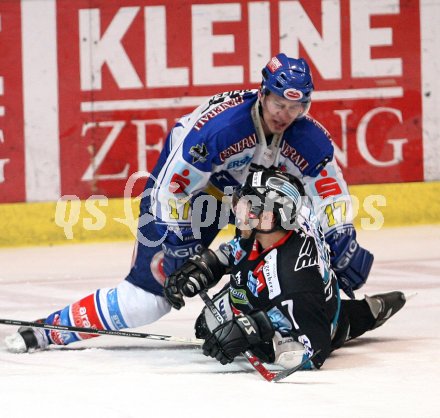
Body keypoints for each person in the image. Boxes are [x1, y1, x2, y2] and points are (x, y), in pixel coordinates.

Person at [5, 53, 373, 353]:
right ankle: (48, 330)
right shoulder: (220, 132)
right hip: (192, 196)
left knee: (307, 233)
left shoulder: (305, 135)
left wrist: (341, 235)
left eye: (296, 108)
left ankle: (285, 312)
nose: (285, 116)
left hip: (246, 201)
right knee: (147, 300)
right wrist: (180, 244)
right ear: (263, 94)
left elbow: (328, 190)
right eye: (279, 104)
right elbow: (172, 190)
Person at [164, 169, 406, 369]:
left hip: (303, 318)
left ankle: (366, 313)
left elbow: (314, 352)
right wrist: (204, 267)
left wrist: (253, 331)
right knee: (206, 326)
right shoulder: (267, 228)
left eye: (249, 204)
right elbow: (237, 250)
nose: (239, 210)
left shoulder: (294, 277)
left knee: (277, 352)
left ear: (270, 216)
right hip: (269, 295)